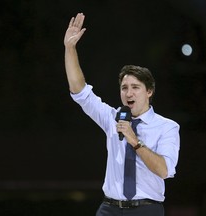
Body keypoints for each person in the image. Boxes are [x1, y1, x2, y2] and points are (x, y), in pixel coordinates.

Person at [63, 13, 180, 216]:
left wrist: (135, 141)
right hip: (109, 208)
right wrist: (70, 48)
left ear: (149, 92)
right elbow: (80, 92)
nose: (128, 93)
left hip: (146, 209)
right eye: (124, 87)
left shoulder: (167, 126)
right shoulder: (112, 118)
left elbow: (164, 170)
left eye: (135, 87)